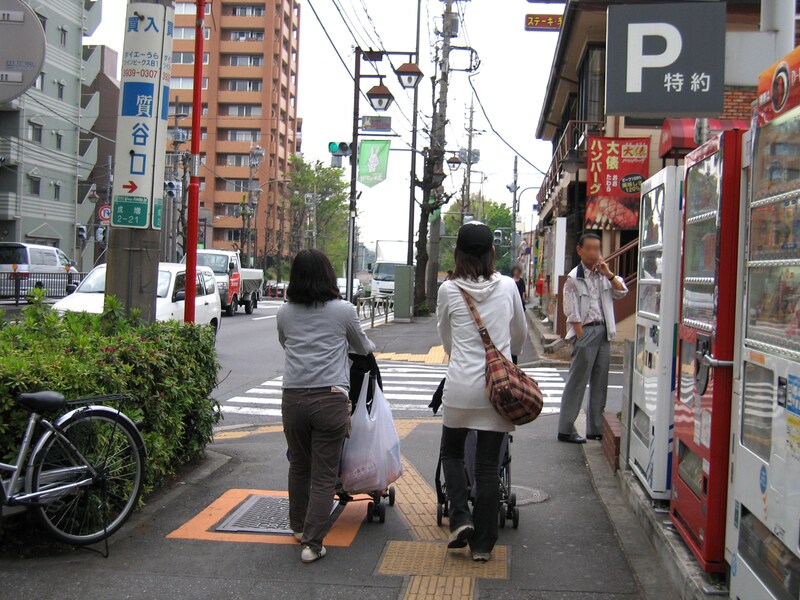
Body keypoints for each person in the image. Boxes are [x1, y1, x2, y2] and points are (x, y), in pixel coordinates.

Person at [277, 249, 376, 563]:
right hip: (330, 398)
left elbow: (285, 343)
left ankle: (297, 528)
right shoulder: (343, 310)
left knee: (299, 466)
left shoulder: (284, 313)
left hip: (292, 398)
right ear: (328, 276)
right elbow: (363, 346)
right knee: (323, 474)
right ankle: (312, 544)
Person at [436, 222, 527, 562]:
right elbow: (518, 335)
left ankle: (459, 517)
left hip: (460, 386)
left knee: (452, 452)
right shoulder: (507, 286)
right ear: (492, 252)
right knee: (488, 466)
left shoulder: (449, 290)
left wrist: (459, 353)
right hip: (496, 390)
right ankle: (484, 546)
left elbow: (446, 338)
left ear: (457, 254)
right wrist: (507, 358)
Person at [558, 233, 628, 444]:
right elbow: (571, 312)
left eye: (597, 248)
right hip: (586, 331)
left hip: (604, 330)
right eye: (589, 248)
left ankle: (595, 428)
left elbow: (622, 291)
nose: (593, 252)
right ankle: (566, 428)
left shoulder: (603, 276)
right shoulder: (573, 278)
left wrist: (609, 274)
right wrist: (580, 335)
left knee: (600, 380)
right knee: (577, 381)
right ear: (580, 250)